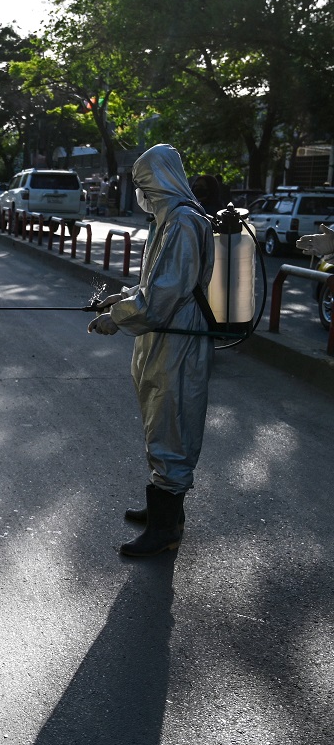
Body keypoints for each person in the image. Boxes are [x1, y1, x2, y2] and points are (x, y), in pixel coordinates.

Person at [86, 144, 215, 557]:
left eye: (143, 184)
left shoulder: (182, 222)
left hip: (177, 337)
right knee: (158, 417)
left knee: (172, 424)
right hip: (162, 334)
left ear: (156, 183)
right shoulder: (169, 220)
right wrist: (120, 299)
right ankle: (163, 511)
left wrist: (117, 318)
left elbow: (164, 295)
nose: (140, 192)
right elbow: (153, 284)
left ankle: (166, 529)